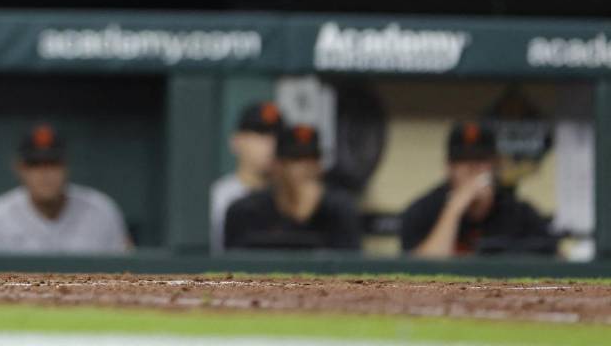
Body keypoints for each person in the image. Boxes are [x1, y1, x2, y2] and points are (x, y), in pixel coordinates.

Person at [400, 121, 556, 257]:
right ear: (449, 167)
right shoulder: (422, 212)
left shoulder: (521, 215)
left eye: (480, 160)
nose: (472, 169)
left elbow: (554, 266)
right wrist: (454, 209)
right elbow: (423, 272)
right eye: (463, 160)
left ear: (496, 164)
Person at [0, 124, 129, 253]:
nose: (45, 174)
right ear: (19, 169)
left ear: (66, 166)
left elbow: (127, 275)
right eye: (35, 165)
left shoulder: (102, 210)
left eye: (53, 163)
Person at [224, 124, 362, 251]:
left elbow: (353, 269)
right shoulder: (247, 211)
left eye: (313, 159)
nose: (307, 167)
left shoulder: (339, 209)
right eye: (296, 160)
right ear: (277, 166)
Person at [210, 101, 283, 254]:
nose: (272, 143)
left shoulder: (291, 197)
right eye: (261, 134)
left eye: (277, 135)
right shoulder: (219, 197)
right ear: (236, 142)